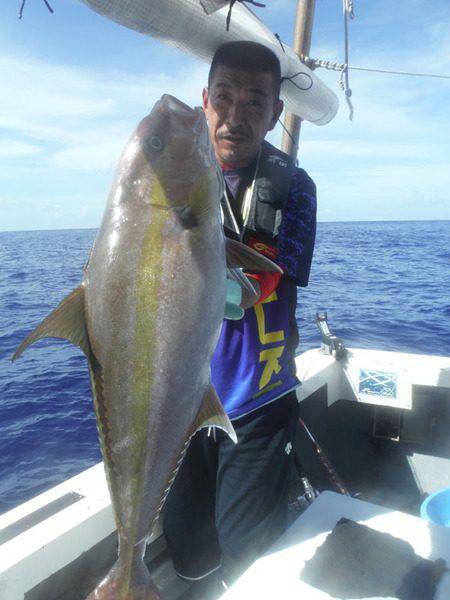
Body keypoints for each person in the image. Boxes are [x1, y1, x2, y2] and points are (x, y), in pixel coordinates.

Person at [163, 41, 317, 594]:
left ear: (276, 112)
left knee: (247, 556)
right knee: (188, 546)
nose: (236, 116)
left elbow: (255, 286)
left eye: (256, 102)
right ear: (205, 100)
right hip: (181, 404)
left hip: (257, 403)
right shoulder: (170, 181)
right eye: (224, 97)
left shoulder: (294, 187)